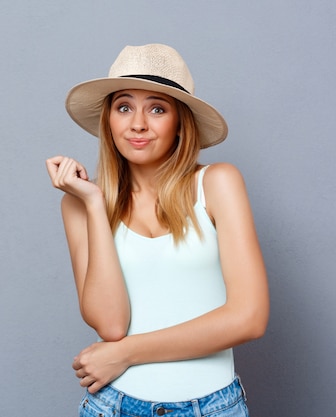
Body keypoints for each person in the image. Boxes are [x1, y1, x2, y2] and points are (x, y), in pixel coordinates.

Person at [46, 44, 269, 417]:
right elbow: (111, 324)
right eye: (124, 107)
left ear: (180, 122)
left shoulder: (217, 184)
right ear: (109, 120)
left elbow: (249, 317)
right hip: (111, 407)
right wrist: (95, 205)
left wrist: (126, 353)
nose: (137, 124)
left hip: (211, 408)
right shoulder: (79, 204)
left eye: (157, 108)